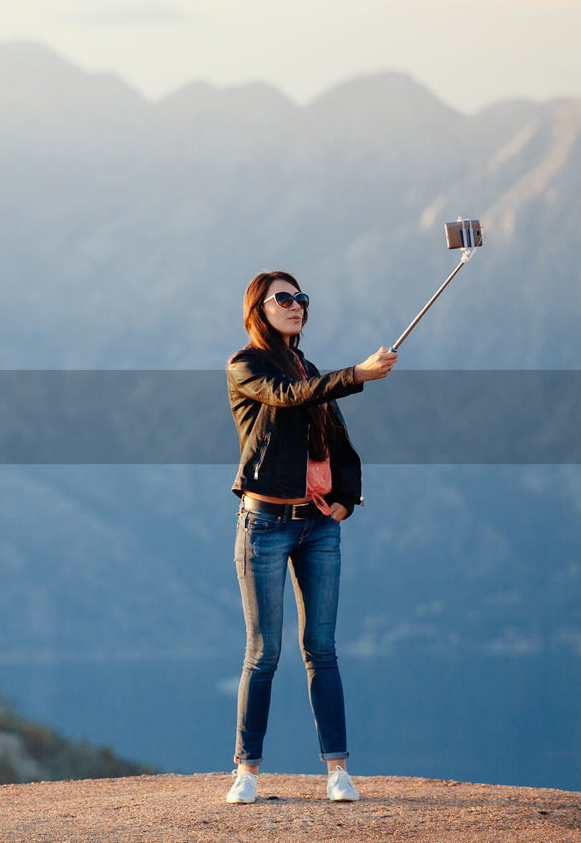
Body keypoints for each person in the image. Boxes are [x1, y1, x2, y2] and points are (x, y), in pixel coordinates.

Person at [223, 270, 397, 805]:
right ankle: (246, 772)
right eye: (284, 298)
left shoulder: (310, 368)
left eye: (301, 298)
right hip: (266, 525)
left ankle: (338, 772)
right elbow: (290, 396)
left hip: (319, 524)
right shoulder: (246, 366)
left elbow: (337, 438)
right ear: (259, 309)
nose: (296, 305)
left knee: (321, 649)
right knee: (264, 651)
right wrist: (360, 374)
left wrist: (348, 495)